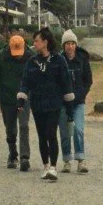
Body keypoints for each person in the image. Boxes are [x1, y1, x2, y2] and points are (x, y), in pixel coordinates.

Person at [17, 27, 74, 182]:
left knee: (51, 133)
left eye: (36, 41)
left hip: (54, 103)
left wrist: (69, 106)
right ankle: (46, 166)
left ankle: (54, 167)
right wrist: (21, 99)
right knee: (42, 135)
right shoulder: (32, 62)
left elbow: (66, 83)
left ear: (45, 42)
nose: (34, 43)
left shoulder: (59, 60)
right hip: (37, 104)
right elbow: (25, 82)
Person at [0, 32, 33, 170]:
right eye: (15, 52)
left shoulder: (31, 57)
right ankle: (13, 154)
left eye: (20, 52)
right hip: (7, 98)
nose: (18, 55)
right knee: (10, 129)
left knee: (24, 126)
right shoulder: (2, 57)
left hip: (24, 97)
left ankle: (25, 157)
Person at [58, 29, 93, 173]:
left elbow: (88, 81)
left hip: (78, 102)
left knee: (78, 129)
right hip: (63, 102)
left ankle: (80, 160)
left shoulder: (82, 60)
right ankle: (66, 161)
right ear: (63, 46)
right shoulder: (59, 61)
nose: (70, 46)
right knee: (65, 133)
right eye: (67, 44)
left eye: (72, 43)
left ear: (76, 45)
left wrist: (79, 96)